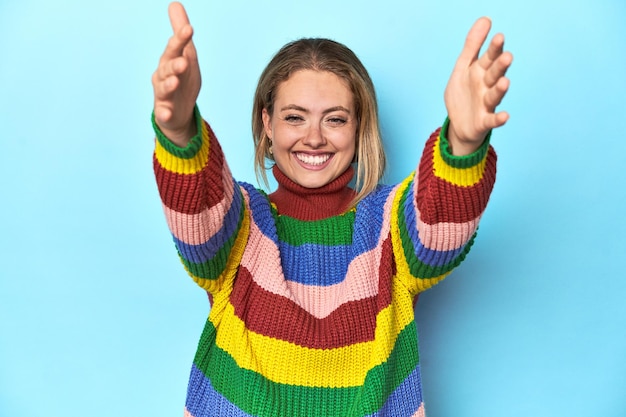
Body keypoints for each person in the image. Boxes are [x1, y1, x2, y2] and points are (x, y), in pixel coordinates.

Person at [151, 2, 512, 416]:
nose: (314, 138)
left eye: (336, 120)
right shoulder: (242, 224)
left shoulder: (387, 226)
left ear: (360, 127)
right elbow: (197, 211)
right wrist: (178, 131)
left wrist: (463, 145)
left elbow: (437, 227)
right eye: (294, 117)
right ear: (267, 124)